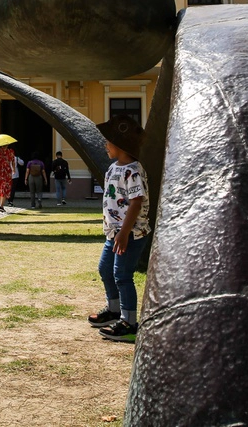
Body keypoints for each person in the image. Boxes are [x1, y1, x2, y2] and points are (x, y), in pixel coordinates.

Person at [87, 114, 151, 343]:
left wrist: (124, 233)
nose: (105, 145)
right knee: (105, 269)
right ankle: (114, 310)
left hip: (131, 234)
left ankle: (129, 322)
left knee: (122, 275)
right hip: (114, 233)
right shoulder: (114, 168)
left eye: (108, 141)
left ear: (120, 145)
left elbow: (135, 201)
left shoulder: (132, 170)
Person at [0, 142, 16, 213]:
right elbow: (13, 161)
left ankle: (1, 205)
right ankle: (1, 205)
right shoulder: (10, 151)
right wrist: (13, 169)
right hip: (7, 171)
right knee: (4, 188)